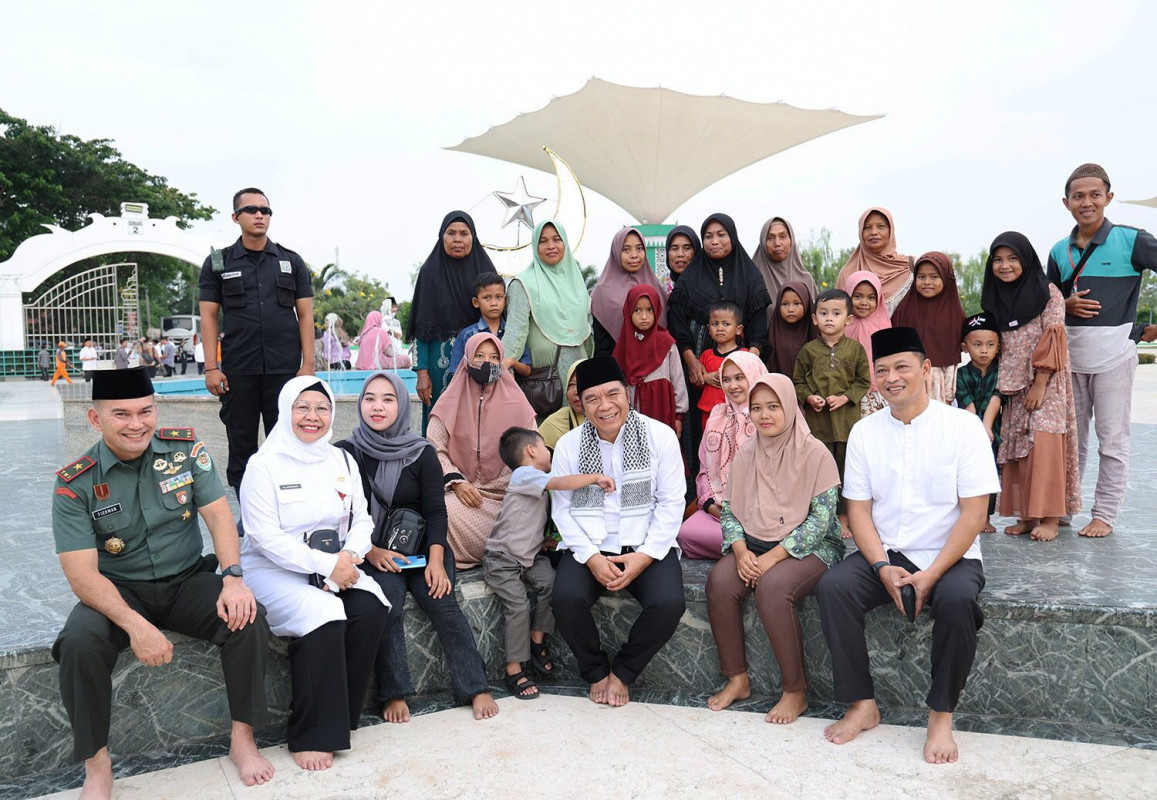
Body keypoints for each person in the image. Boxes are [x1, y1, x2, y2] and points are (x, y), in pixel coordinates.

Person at [51, 367, 273, 797]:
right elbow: (80, 574)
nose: (137, 424)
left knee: (249, 617)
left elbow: (220, 518)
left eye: (145, 411)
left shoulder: (186, 451)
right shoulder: (75, 483)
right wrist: (135, 625)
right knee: (79, 643)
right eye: (121, 414)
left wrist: (232, 578)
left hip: (186, 581)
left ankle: (243, 741)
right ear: (96, 420)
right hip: (118, 592)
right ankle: (97, 768)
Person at [816, 327, 999, 765]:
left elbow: (975, 515)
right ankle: (862, 704)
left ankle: (940, 715)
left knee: (957, 602)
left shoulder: (963, 427)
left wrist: (933, 574)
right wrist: (880, 566)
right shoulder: (865, 431)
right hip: (888, 550)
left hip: (950, 553)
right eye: (882, 370)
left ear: (926, 369)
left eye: (902, 367)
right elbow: (858, 511)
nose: (892, 378)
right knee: (834, 587)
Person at [239, 376, 388, 771]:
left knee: (370, 607)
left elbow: (361, 520)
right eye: (302, 407)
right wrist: (327, 566)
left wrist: (350, 558)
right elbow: (263, 536)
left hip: (337, 565)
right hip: (273, 571)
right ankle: (309, 732)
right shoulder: (263, 465)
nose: (313, 417)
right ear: (285, 411)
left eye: (322, 408)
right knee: (323, 613)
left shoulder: (340, 459)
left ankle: (340, 717)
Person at [336, 371, 498, 723]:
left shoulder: (420, 451)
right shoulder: (345, 454)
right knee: (387, 602)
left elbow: (436, 510)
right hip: (371, 553)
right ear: (360, 403)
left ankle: (475, 686)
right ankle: (393, 692)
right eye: (370, 398)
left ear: (401, 404)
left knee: (442, 602)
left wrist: (437, 559)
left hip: (424, 549)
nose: (377, 406)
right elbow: (341, 515)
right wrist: (371, 553)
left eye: (388, 399)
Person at [705, 373, 844, 723]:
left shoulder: (816, 454)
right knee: (720, 583)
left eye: (773, 406)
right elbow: (730, 511)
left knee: (772, 588)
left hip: (812, 548)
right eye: (756, 408)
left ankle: (795, 692)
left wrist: (773, 557)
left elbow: (822, 521)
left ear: (790, 407)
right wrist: (739, 551)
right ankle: (737, 679)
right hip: (753, 542)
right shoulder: (747, 454)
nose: (764, 415)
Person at [549, 357, 686, 707]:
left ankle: (623, 672)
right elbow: (562, 511)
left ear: (627, 393)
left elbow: (672, 503)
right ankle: (595, 671)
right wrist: (592, 558)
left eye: (612, 394)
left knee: (669, 604)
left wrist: (644, 557)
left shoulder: (660, 436)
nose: (605, 406)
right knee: (565, 600)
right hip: (591, 544)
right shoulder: (568, 445)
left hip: (644, 543)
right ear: (580, 403)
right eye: (592, 398)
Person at [1046, 163, 1157, 538]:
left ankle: (1104, 515)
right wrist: (1066, 304)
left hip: (1114, 359)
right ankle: (1062, 509)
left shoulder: (1133, 240)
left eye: (1095, 194)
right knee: (1069, 442)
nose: (1087, 202)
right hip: (1069, 361)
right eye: (1078, 196)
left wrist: (1147, 329)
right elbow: (1048, 303)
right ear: (1066, 202)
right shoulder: (1059, 251)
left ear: (1108, 197)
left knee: (1112, 442)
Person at [198, 187, 315, 492]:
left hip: (284, 369)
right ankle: (248, 512)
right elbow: (208, 317)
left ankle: (289, 505)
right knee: (242, 444)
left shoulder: (291, 261)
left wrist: (308, 365)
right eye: (251, 210)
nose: (260, 215)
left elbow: (305, 315)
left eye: (265, 210)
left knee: (288, 441)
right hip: (240, 370)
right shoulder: (218, 263)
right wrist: (212, 367)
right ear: (236, 217)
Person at [485, 427, 615, 699]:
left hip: (530, 556)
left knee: (552, 586)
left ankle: (536, 639)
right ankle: (513, 669)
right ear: (531, 450)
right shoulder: (524, 474)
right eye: (545, 447)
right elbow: (559, 483)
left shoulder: (534, 480)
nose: (549, 453)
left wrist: (542, 541)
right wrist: (595, 477)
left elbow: (528, 517)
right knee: (518, 604)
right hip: (503, 558)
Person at [982, 232, 1080, 542]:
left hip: (1045, 382)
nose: (1005, 265)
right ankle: (1027, 515)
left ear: (1026, 260)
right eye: (998, 260)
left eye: (1012, 258)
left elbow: (1053, 337)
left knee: (1044, 443)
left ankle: (1050, 517)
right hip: (1012, 384)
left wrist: (1039, 383)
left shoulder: (1047, 292)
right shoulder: (995, 296)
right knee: (1019, 449)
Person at [428, 332, 538, 569]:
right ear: (466, 360)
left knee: (528, 517)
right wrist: (457, 482)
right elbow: (435, 448)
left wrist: (509, 486)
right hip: (465, 494)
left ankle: (499, 552)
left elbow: (532, 455)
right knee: (441, 513)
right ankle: (496, 554)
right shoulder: (449, 400)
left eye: (493, 357)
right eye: (479, 355)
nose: (487, 363)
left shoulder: (518, 404)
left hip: (508, 498)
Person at [409, 212, 497, 434]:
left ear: (473, 238)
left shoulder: (485, 271)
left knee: (479, 422)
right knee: (440, 423)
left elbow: (497, 317)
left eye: (464, 234)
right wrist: (422, 373)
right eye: (451, 233)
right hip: (440, 367)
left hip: (478, 359)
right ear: (442, 237)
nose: (457, 239)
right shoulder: (430, 272)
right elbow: (421, 326)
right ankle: (436, 468)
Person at [793, 289, 871, 538]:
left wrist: (845, 397)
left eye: (836, 313)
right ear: (814, 318)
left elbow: (863, 381)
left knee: (848, 472)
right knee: (820, 471)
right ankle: (820, 517)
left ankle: (845, 517)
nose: (829, 318)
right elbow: (797, 382)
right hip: (819, 426)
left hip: (848, 425)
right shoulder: (808, 351)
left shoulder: (856, 350)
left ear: (848, 319)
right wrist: (809, 398)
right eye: (823, 313)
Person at [678, 351, 767, 560]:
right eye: (726, 379)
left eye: (739, 377)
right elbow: (704, 473)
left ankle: (745, 547)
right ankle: (746, 550)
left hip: (761, 512)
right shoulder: (717, 415)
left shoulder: (768, 417)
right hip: (720, 510)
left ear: (754, 375)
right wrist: (710, 505)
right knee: (686, 535)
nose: (733, 385)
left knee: (766, 532)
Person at [502, 219, 594, 405]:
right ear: (535, 246)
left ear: (565, 243)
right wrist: (503, 364)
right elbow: (516, 331)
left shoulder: (577, 283)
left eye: (556, 239)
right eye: (543, 241)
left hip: (579, 373)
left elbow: (587, 329)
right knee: (548, 430)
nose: (550, 246)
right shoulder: (523, 283)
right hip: (544, 379)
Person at [891, 252, 966, 404]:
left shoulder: (954, 315)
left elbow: (952, 358)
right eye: (921, 277)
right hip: (907, 381)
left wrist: (949, 391)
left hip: (939, 386)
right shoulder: (905, 310)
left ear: (946, 278)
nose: (927, 282)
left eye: (934, 277)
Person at [613, 285, 688, 434]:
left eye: (650, 310)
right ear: (628, 311)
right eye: (637, 310)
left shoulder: (666, 342)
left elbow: (678, 380)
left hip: (661, 406)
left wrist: (679, 416)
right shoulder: (623, 344)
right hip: (633, 411)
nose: (644, 316)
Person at [957, 313, 1003, 533]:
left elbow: (997, 397)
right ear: (965, 347)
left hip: (992, 431)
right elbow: (966, 402)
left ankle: (985, 517)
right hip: (967, 431)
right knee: (967, 472)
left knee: (990, 472)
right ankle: (965, 513)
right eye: (977, 344)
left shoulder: (1000, 373)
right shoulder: (962, 373)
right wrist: (978, 429)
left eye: (990, 345)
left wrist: (986, 427)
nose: (984, 350)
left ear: (998, 347)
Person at [591, 227, 667, 357]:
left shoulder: (657, 287)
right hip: (616, 367)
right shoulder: (601, 292)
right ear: (616, 252)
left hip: (655, 364)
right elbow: (601, 346)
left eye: (639, 248)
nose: (634, 255)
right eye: (626, 249)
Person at [447, 272, 531, 377]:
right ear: (475, 302)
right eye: (487, 298)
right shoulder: (467, 335)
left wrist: (512, 362)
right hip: (475, 392)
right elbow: (456, 373)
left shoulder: (514, 333)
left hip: (506, 392)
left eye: (499, 297)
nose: (494, 303)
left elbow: (527, 370)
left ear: (505, 300)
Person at [835, 207, 914, 314]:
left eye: (881, 227)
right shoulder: (848, 272)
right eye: (867, 228)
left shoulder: (909, 266)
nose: (874, 232)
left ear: (891, 230)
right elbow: (838, 314)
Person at [751, 216, 817, 332]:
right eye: (770, 238)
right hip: (764, 348)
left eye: (783, 236)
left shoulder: (806, 280)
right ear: (762, 242)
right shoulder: (752, 279)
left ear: (791, 240)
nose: (777, 243)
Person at [843, 271, 892, 417]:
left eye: (871, 298)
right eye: (857, 296)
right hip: (844, 392)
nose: (864, 303)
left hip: (876, 393)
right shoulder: (841, 325)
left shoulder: (883, 327)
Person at [696, 300, 748, 416]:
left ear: (738, 329)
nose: (720, 328)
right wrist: (704, 378)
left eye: (726, 324)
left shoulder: (744, 355)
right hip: (709, 412)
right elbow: (696, 382)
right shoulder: (706, 355)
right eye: (715, 324)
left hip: (737, 412)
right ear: (709, 329)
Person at [765, 281, 817, 375]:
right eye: (785, 304)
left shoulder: (813, 331)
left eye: (797, 304)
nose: (791, 309)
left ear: (806, 304)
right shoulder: (773, 333)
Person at [539, 359, 586, 451]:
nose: (576, 392)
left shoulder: (611, 423)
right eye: (571, 384)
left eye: (583, 384)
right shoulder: (554, 424)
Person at [663, 225, 699, 294]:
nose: (680, 254)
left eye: (687, 248)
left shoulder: (708, 285)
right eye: (674, 248)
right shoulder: (659, 287)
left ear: (695, 251)